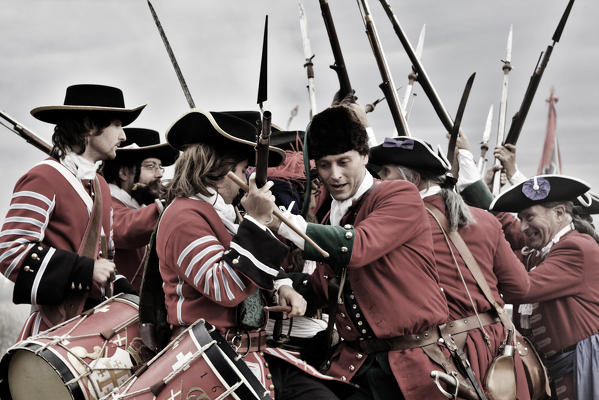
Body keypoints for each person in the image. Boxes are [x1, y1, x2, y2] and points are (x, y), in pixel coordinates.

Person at [155, 109, 345, 400]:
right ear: (220, 169)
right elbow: (225, 286)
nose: (250, 178)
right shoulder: (183, 217)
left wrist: (282, 285)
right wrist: (256, 222)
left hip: (248, 351)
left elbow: (245, 259)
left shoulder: (224, 213)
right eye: (245, 170)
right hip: (208, 359)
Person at [273, 104, 452, 399]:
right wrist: (284, 285)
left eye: (344, 162)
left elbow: (356, 247)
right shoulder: (334, 212)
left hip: (411, 367)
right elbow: (323, 285)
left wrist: (279, 221)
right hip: (359, 364)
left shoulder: (399, 194)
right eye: (325, 165)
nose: (335, 175)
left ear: (365, 156)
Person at [369, 135, 532, 399]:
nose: (379, 181)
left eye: (385, 172)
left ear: (413, 180)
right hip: (495, 345)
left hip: (441, 353)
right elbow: (520, 287)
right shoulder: (485, 220)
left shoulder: (396, 224)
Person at [0, 84, 145, 338]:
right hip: (54, 329)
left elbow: (104, 260)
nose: (123, 136)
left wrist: (129, 294)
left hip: (95, 328)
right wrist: (83, 270)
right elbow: (10, 251)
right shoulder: (42, 177)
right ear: (90, 125)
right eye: (117, 125)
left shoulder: (100, 185)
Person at [490, 174, 599, 399]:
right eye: (520, 218)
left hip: (581, 367)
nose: (523, 227)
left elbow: (523, 288)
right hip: (550, 369)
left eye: (529, 217)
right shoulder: (538, 254)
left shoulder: (576, 248)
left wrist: (493, 236)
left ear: (559, 213)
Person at [102, 127, 179, 291]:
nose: (159, 174)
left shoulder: (138, 206)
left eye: (160, 167)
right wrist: (173, 203)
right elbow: (125, 228)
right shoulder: (103, 203)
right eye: (151, 166)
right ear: (123, 172)